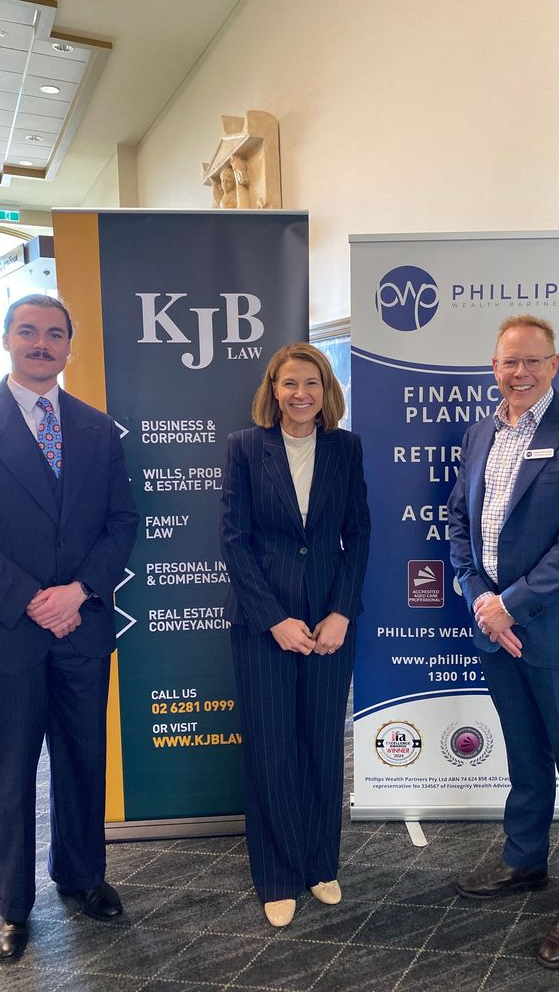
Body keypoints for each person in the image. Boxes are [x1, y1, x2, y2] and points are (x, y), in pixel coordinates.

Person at [0, 295, 139, 962]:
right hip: (7, 632)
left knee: (84, 760)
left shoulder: (95, 429)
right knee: (9, 772)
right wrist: (36, 599)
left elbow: (122, 525)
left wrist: (80, 590)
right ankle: (10, 905)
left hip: (81, 628)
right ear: (5, 340)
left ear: (68, 347)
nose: (41, 343)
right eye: (28, 332)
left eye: (54, 334)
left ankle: (83, 877)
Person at [447, 314, 559, 970]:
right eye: (507, 362)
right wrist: (480, 602)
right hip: (496, 631)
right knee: (524, 756)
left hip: (557, 631)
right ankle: (524, 862)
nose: (518, 373)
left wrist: (510, 606)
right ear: (493, 368)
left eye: (532, 361)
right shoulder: (479, 433)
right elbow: (459, 526)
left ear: (554, 365)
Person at [220, 342, 370, 928]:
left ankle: (318, 863)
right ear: (273, 389)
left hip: (330, 621)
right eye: (289, 383)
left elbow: (358, 536)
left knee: (321, 743)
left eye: (312, 382)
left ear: (327, 389)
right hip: (265, 622)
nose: (301, 393)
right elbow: (233, 540)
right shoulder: (244, 448)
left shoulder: (346, 448)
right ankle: (277, 874)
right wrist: (274, 619)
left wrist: (341, 612)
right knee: (272, 744)